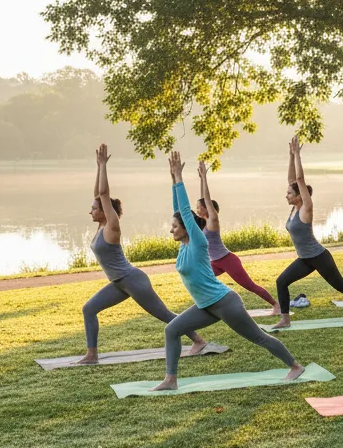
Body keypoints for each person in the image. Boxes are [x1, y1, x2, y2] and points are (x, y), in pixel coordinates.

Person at [150, 152, 304, 392]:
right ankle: (171, 379)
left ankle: (295, 366)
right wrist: (173, 180)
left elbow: (184, 212)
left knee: (258, 337)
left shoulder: (198, 242)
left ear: (187, 228)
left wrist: (180, 179)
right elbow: (178, 210)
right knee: (172, 329)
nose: (171, 230)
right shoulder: (183, 245)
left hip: (224, 302)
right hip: (205, 305)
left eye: (174, 226)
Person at [79, 143, 206, 363]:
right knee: (89, 309)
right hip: (119, 283)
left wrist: (103, 165)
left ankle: (198, 340)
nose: (90, 210)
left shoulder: (111, 226)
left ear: (104, 212)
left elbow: (103, 194)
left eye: (94, 208)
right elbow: (98, 196)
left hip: (133, 280)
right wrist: (98, 168)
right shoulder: (100, 226)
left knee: (164, 315)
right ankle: (92, 354)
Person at [270, 138, 343, 328]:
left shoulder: (306, 208)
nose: (286, 195)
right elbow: (292, 180)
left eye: (290, 194)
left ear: (300, 196)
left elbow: (299, 180)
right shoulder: (294, 209)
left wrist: (298, 155)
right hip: (304, 259)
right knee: (281, 281)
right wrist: (291, 156)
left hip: (319, 257)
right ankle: (285, 319)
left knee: (340, 286)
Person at [195, 161, 279, 312]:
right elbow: (203, 198)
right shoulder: (205, 221)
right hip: (215, 262)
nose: (197, 208)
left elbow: (206, 199)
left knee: (250, 286)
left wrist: (205, 178)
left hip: (227, 260)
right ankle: (210, 305)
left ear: (208, 208)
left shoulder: (213, 221)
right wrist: (201, 177)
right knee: (201, 279)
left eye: (199, 206)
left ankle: (276, 304)